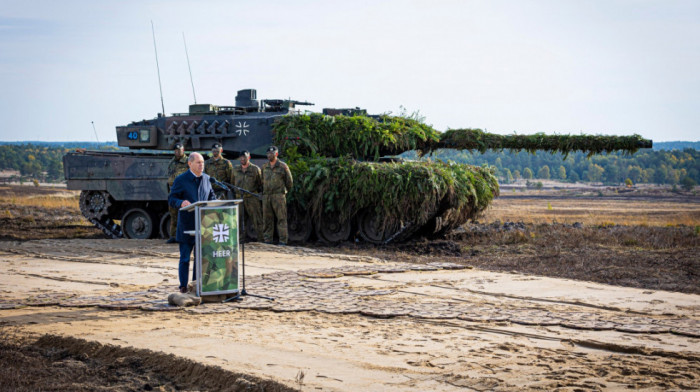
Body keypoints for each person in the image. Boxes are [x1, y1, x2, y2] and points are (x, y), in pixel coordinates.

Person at [168, 152, 217, 293]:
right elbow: (171, 199)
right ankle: (183, 286)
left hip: (203, 225)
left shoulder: (207, 179)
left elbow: (211, 197)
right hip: (187, 226)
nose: (202, 165)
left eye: (202, 162)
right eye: (198, 162)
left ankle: (196, 285)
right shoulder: (181, 180)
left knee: (199, 258)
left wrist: (216, 204)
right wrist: (180, 202)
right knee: (185, 258)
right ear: (190, 164)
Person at [261, 146, 293, 245]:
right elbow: (262, 180)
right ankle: (268, 240)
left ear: (276, 154)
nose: (269, 155)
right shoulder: (264, 167)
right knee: (267, 219)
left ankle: (283, 241)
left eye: (272, 153)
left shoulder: (283, 166)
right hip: (267, 196)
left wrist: (283, 192)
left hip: (278, 195)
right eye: (268, 154)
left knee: (281, 219)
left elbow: (289, 182)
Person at [232, 151, 263, 240]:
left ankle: (261, 239)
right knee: (240, 219)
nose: (242, 159)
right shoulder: (235, 169)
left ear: (248, 157)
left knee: (257, 219)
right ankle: (241, 239)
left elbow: (260, 183)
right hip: (239, 197)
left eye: (244, 157)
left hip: (252, 197)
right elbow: (232, 182)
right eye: (241, 157)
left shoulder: (255, 169)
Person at [166, 143, 189, 243]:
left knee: (185, 215)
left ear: (183, 150)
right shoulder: (172, 162)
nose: (177, 152)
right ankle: (173, 236)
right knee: (173, 214)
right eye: (175, 150)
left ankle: (184, 236)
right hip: (173, 191)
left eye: (179, 150)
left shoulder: (188, 161)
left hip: (184, 192)